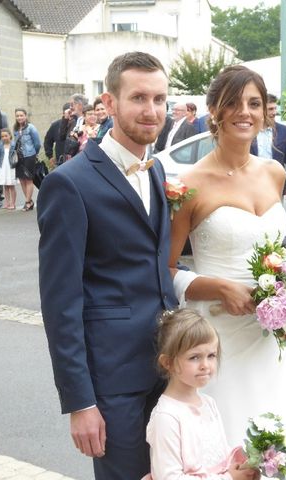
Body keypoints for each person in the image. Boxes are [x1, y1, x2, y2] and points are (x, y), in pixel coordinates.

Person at [169, 65, 286, 479]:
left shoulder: (274, 172)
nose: (244, 112)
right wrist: (215, 287)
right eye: (233, 103)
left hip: (278, 336)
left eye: (254, 103)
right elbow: (164, 268)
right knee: (234, 442)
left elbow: (278, 251)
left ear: (266, 112)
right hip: (221, 334)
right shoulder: (189, 184)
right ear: (214, 110)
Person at [37, 51, 177, 480]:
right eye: (138, 98)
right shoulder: (69, 183)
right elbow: (60, 303)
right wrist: (80, 402)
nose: (151, 110)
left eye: (159, 99)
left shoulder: (155, 171)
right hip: (114, 381)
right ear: (110, 103)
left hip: (169, 369)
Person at [143, 309, 256, 480]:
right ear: (168, 363)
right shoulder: (166, 417)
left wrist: (243, 464)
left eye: (211, 355)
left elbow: (219, 454)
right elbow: (169, 477)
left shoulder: (208, 402)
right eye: (194, 357)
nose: (205, 365)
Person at [250, 93, 286, 200]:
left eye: (275, 108)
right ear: (261, 110)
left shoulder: (284, 131)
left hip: (276, 186)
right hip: (252, 186)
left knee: (275, 216)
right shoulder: (249, 130)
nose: (274, 112)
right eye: (270, 109)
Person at [13, 108, 41, 211]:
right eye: (17, 116)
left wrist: (34, 153)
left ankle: (27, 202)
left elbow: (37, 143)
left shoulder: (31, 128)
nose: (19, 117)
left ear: (25, 116)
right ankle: (29, 201)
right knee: (22, 179)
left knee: (28, 179)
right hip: (19, 157)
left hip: (29, 156)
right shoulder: (15, 129)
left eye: (21, 115)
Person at [60, 93, 88, 160]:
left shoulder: (88, 121)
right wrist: (65, 118)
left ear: (80, 105)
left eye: (72, 104)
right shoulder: (74, 121)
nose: (70, 107)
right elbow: (61, 136)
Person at [0, 128, 17, 210]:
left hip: (11, 166)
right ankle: (7, 203)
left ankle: (13, 203)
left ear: (10, 136)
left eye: (6, 136)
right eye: (2, 136)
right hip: (3, 166)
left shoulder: (14, 144)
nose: (4, 138)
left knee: (11, 185)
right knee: (5, 185)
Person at [43, 103, 70, 167]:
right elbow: (47, 141)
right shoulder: (56, 125)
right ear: (63, 113)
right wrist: (50, 156)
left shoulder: (79, 123)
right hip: (61, 161)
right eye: (68, 113)